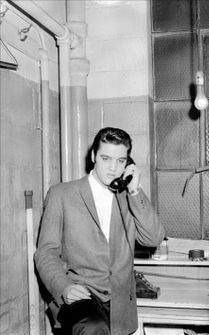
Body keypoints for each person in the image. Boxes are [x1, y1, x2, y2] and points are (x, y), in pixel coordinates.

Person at [35, 127, 165, 335]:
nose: (113, 168)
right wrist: (63, 286)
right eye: (106, 159)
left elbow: (153, 238)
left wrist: (134, 190)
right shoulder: (62, 194)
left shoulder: (129, 197)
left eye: (120, 161)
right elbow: (46, 252)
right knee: (94, 328)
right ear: (94, 156)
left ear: (128, 163)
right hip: (80, 295)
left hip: (120, 304)